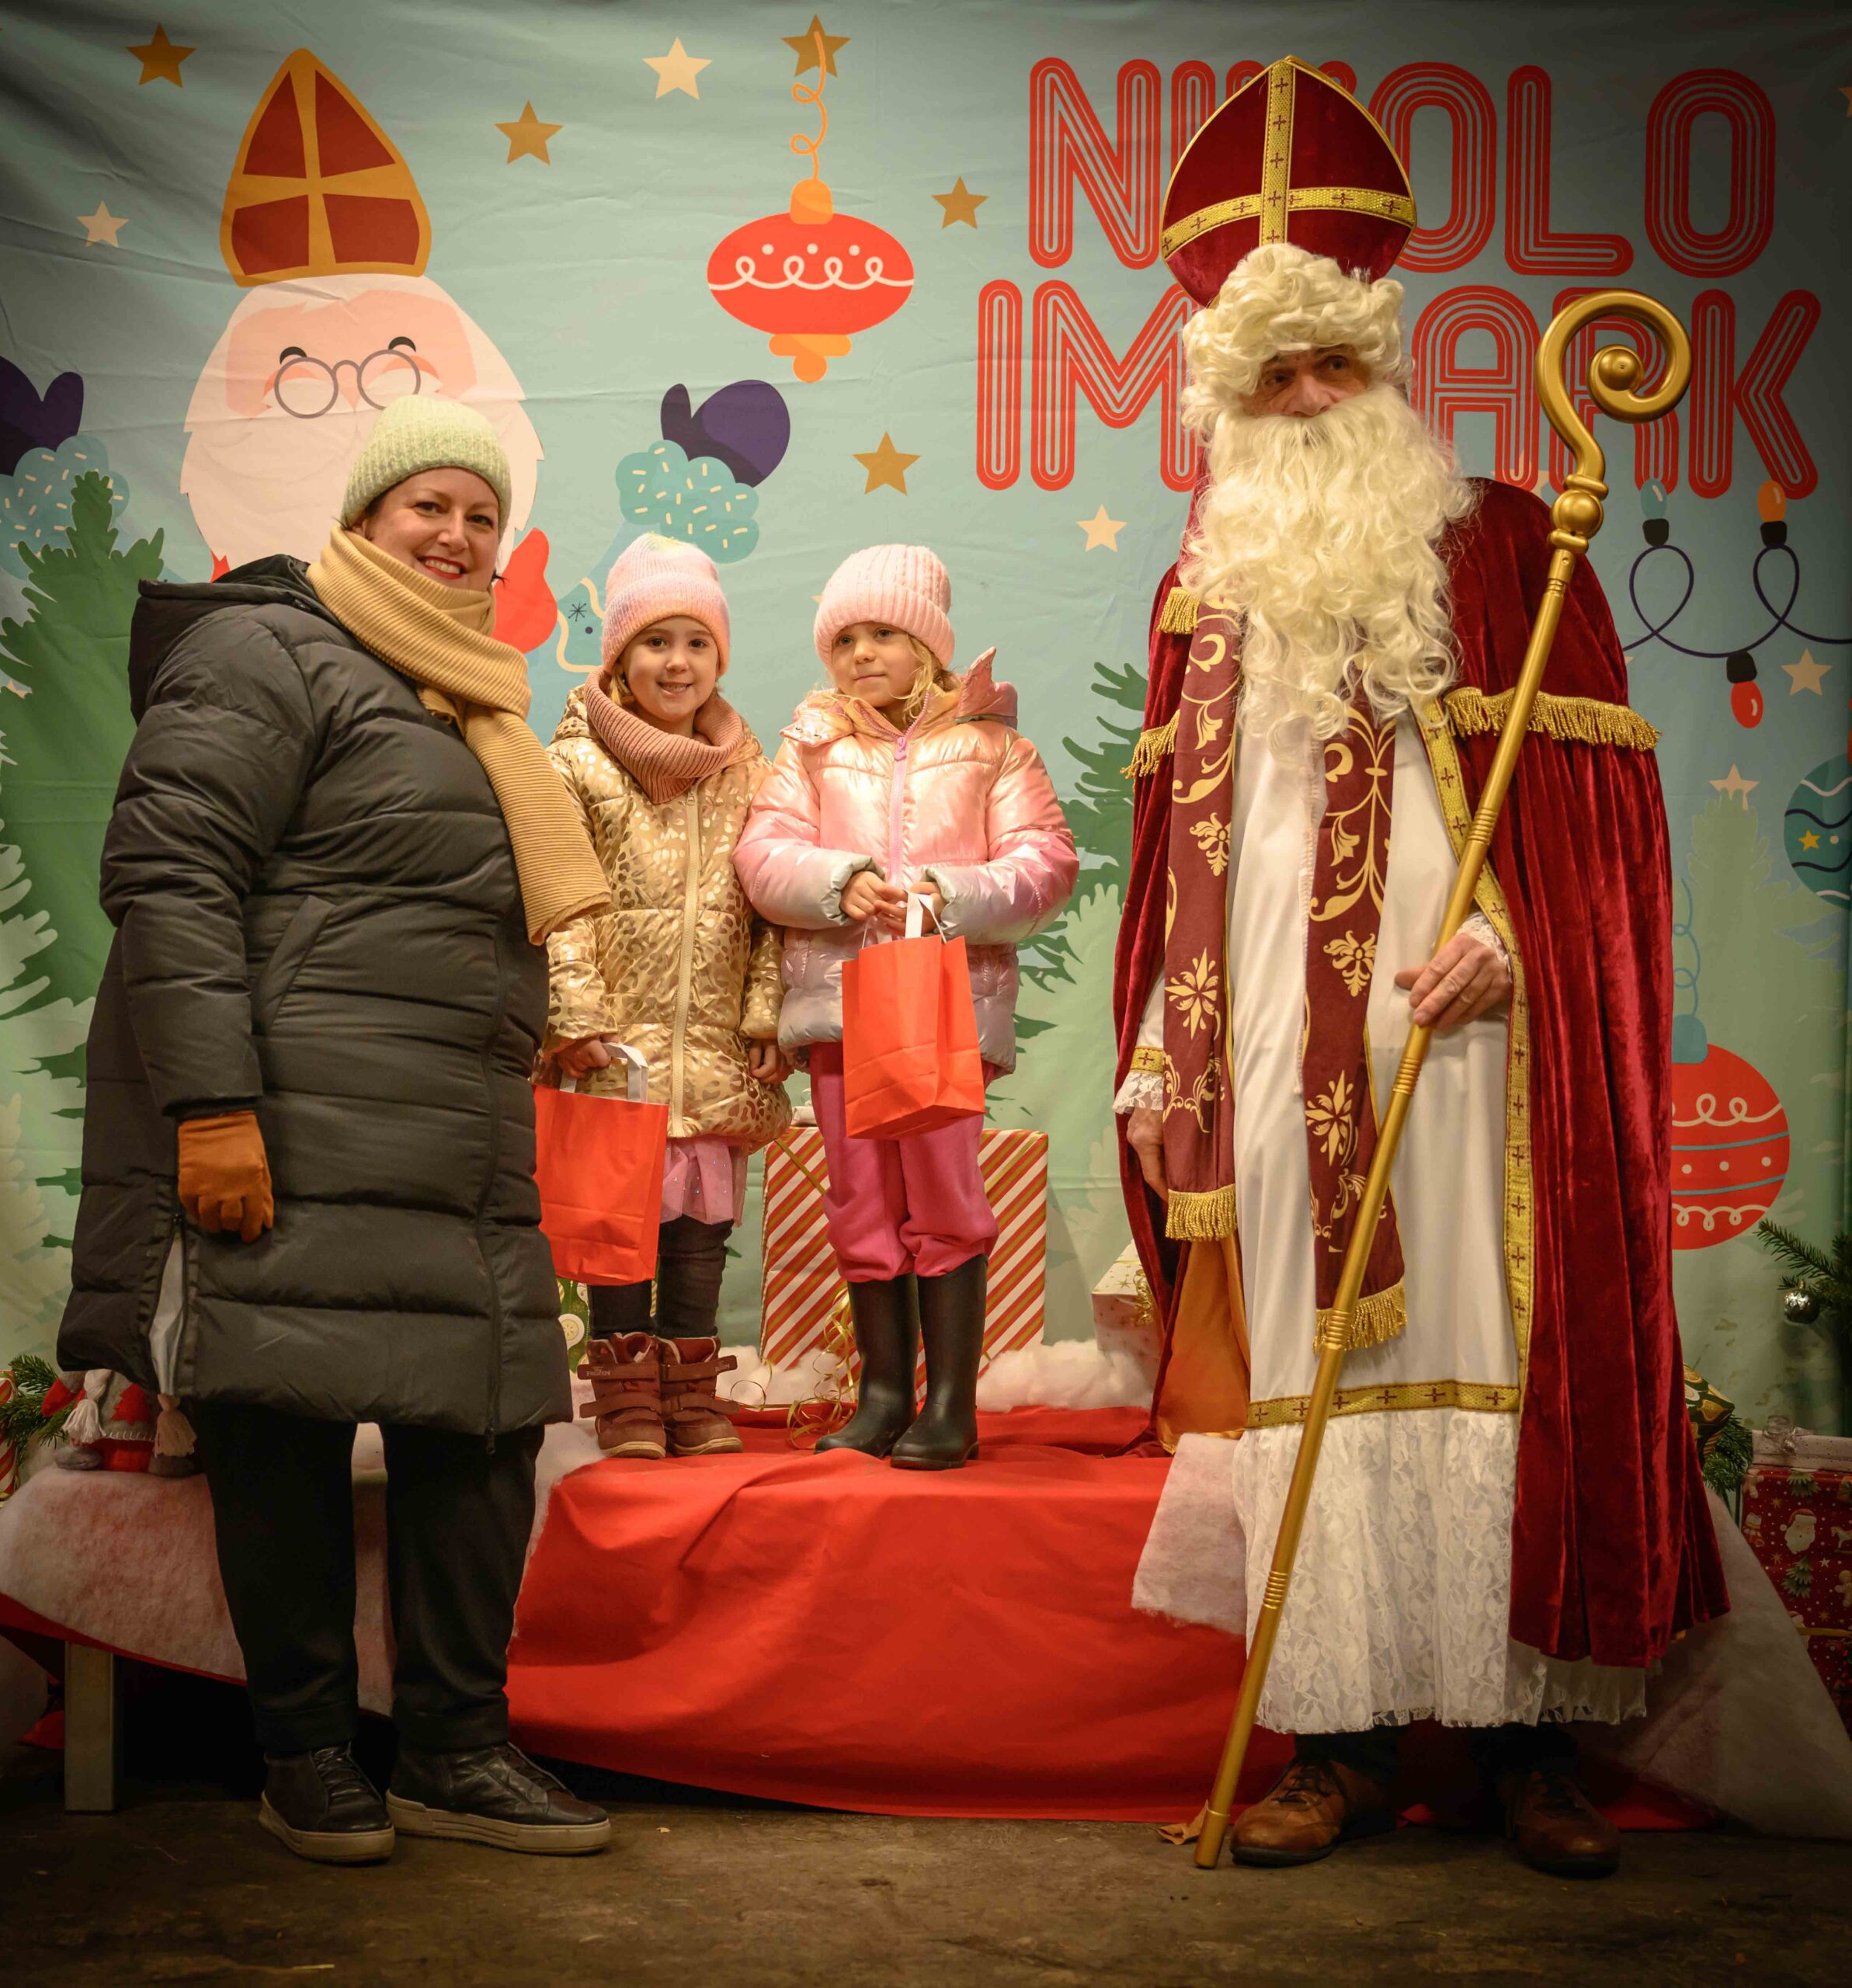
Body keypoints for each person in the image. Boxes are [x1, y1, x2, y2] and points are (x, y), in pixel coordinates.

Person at [1117, 60, 1725, 1875]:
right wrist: (1155, 1049)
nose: (1306, 400)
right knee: (1313, 1387)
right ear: (1225, 402)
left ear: (1379, 370)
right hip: (1271, 1054)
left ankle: (1525, 1751)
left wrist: (1515, 939)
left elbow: (1601, 827)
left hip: (1474, 1047)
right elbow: (1172, 868)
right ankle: (1345, 1745)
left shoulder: (1512, 548)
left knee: (1492, 1359)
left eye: (1331, 365)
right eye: (1270, 378)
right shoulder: (1195, 590)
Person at [56, 394, 617, 1865]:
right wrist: (212, 1107)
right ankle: (304, 1753)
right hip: (296, 1127)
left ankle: (455, 1751)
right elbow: (170, 876)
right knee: (284, 1423)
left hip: (457, 1143)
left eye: (482, 516)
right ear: (363, 517)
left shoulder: (467, 693)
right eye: (428, 505)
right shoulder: (269, 649)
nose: (457, 536)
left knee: (484, 1430)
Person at [735, 546, 1078, 1469]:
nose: (861, 653)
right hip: (842, 1011)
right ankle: (883, 1393)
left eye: (883, 633)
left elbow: (1046, 863)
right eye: (844, 638)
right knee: (859, 1195)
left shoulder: (994, 747)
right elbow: (762, 854)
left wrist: (949, 891)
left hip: (941, 1011)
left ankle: (950, 1404)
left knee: (941, 1191)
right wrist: (835, 880)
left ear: (927, 644)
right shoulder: (811, 746)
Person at [543, 533, 792, 1459]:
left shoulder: (750, 772)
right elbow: (558, 898)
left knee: (698, 1232)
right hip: (618, 1048)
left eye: (696, 642)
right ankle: (626, 1399)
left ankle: (691, 1394)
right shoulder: (574, 766)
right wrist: (574, 1012)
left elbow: (770, 911)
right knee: (621, 1228)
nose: (676, 662)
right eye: (654, 642)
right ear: (619, 656)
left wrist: (765, 1011)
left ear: (718, 657)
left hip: (713, 1046)